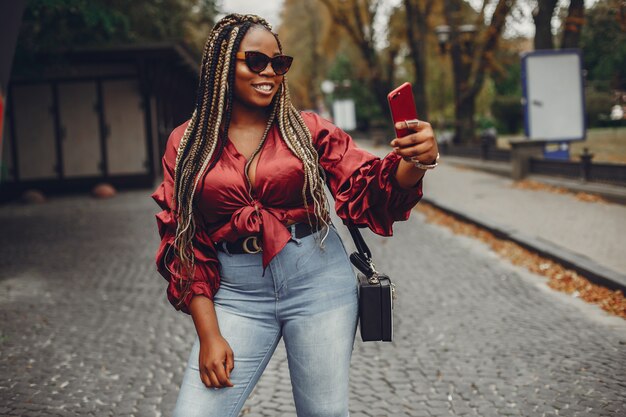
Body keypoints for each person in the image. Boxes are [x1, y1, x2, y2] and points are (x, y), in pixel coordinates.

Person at [151, 13, 438, 417]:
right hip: (236, 296)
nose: (269, 72)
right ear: (221, 65)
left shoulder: (306, 129)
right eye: (255, 61)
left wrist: (416, 162)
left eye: (278, 64)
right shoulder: (186, 144)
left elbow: (368, 186)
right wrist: (209, 333)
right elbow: (182, 239)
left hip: (319, 284)